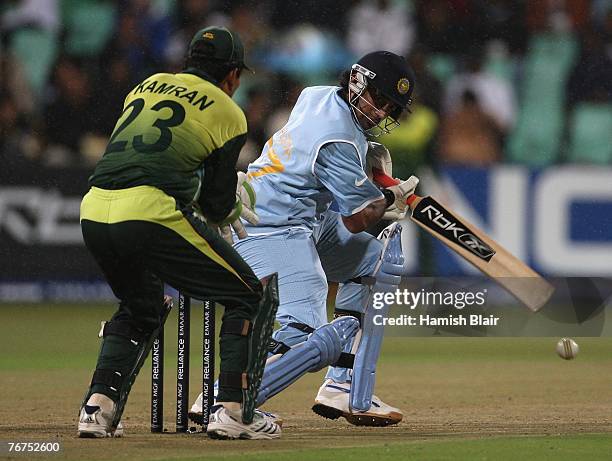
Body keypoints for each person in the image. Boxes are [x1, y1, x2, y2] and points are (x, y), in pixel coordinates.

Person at [190, 51, 419, 426]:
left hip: (299, 217)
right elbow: (358, 219)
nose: (380, 113)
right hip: (265, 226)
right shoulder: (338, 141)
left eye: (390, 109)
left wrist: (364, 167)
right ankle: (223, 397)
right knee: (303, 329)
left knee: (375, 262)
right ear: (358, 81)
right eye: (379, 100)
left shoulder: (319, 94)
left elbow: (328, 170)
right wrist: (386, 198)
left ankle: (343, 387)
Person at [77, 26, 281, 440]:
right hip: (150, 212)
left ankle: (96, 410)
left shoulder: (146, 85)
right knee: (247, 294)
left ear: (188, 63)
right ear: (232, 76)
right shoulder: (228, 111)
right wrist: (238, 201)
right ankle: (233, 412)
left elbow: (146, 154)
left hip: (94, 208)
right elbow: (218, 206)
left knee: (141, 308)